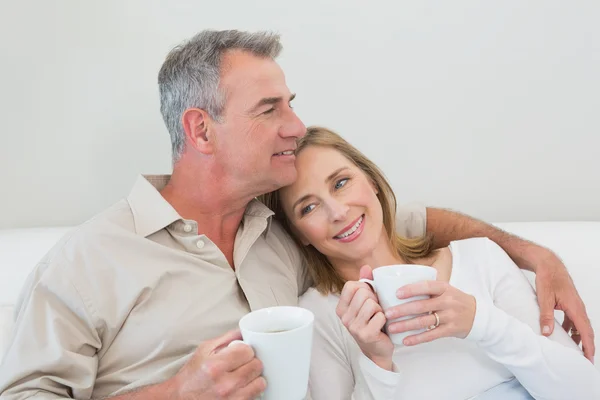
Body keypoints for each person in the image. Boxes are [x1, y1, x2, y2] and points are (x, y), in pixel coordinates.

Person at [0, 30, 593, 399]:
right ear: (201, 129)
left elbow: (400, 222)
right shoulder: (90, 259)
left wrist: (534, 254)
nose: (294, 125)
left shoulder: (279, 230)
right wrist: (177, 394)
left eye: (292, 103)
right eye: (269, 108)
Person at [260, 126, 600, 399]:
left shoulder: (480, 257)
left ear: (372, 182)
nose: (337, 212)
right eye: (308, 207)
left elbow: (586, 391)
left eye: (341, 183)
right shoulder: (319, 316)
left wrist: (482, 323)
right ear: (299, 234)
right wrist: (376, 361)